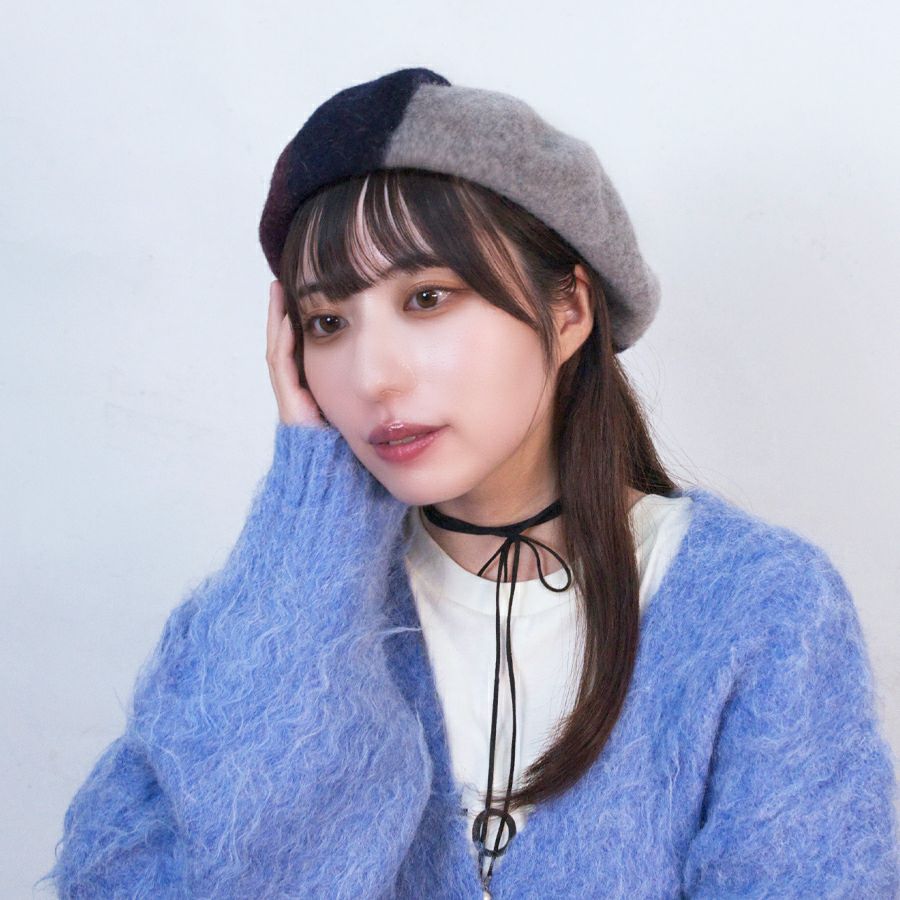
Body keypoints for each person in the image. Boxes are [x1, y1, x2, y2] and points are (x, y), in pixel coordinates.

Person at [42, 68, 898, 898]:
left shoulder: (760, 610)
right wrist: (307, 511)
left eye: (427, 299)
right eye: (327, 321)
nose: (372, 376)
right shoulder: (259, 623)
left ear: (569, 310)